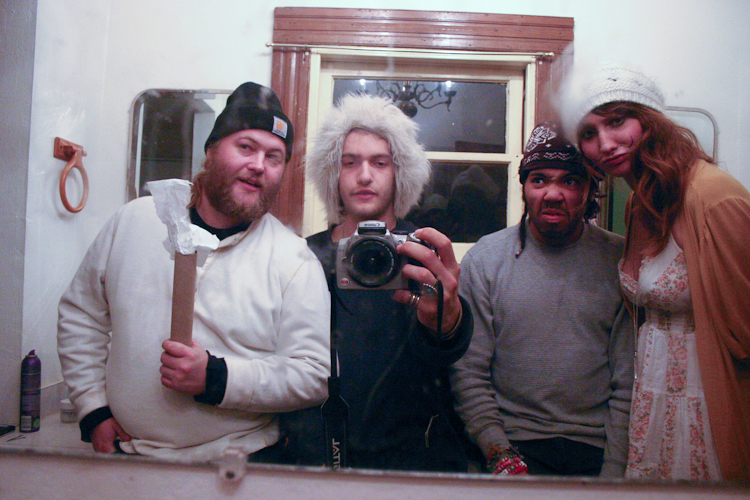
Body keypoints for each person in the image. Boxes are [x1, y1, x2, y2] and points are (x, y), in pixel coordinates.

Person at [57, 82, 331, 462]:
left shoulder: (294, 260)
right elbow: (81, 315)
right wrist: (92, 409)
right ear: (211, 149)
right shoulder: (135, 221)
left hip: (239, 464)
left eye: (274, 157)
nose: (258, 165)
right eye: (246, 147)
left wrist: (217, 378)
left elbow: (312, 377)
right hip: (127, 457)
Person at [560, 63, 750, 481]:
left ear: (650, 121)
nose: (605, 144)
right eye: (589, 133)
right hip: (652, 394)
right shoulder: (638, 203)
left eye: (616, 122)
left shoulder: (714, 196)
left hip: (707, 401)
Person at [280, 94, 477, 472]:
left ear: (399, 173)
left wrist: (449, 318)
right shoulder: (303, 257)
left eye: (380, 162)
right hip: (319, 455)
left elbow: (450, 350)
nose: (365, 175)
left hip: (411, 459)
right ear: (333, 174)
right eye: (350, 162)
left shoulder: (422, 255)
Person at [450, 122, 634, 477]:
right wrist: (499, 453)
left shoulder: (620, 260)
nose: (553, 194)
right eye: (539, 180)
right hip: (512, 443)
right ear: (524, 186)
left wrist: (614, 472)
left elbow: (628, 382)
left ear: (589, 191)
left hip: (595, 448)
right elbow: (469, 373)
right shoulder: (486, 259)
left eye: (570, 181)